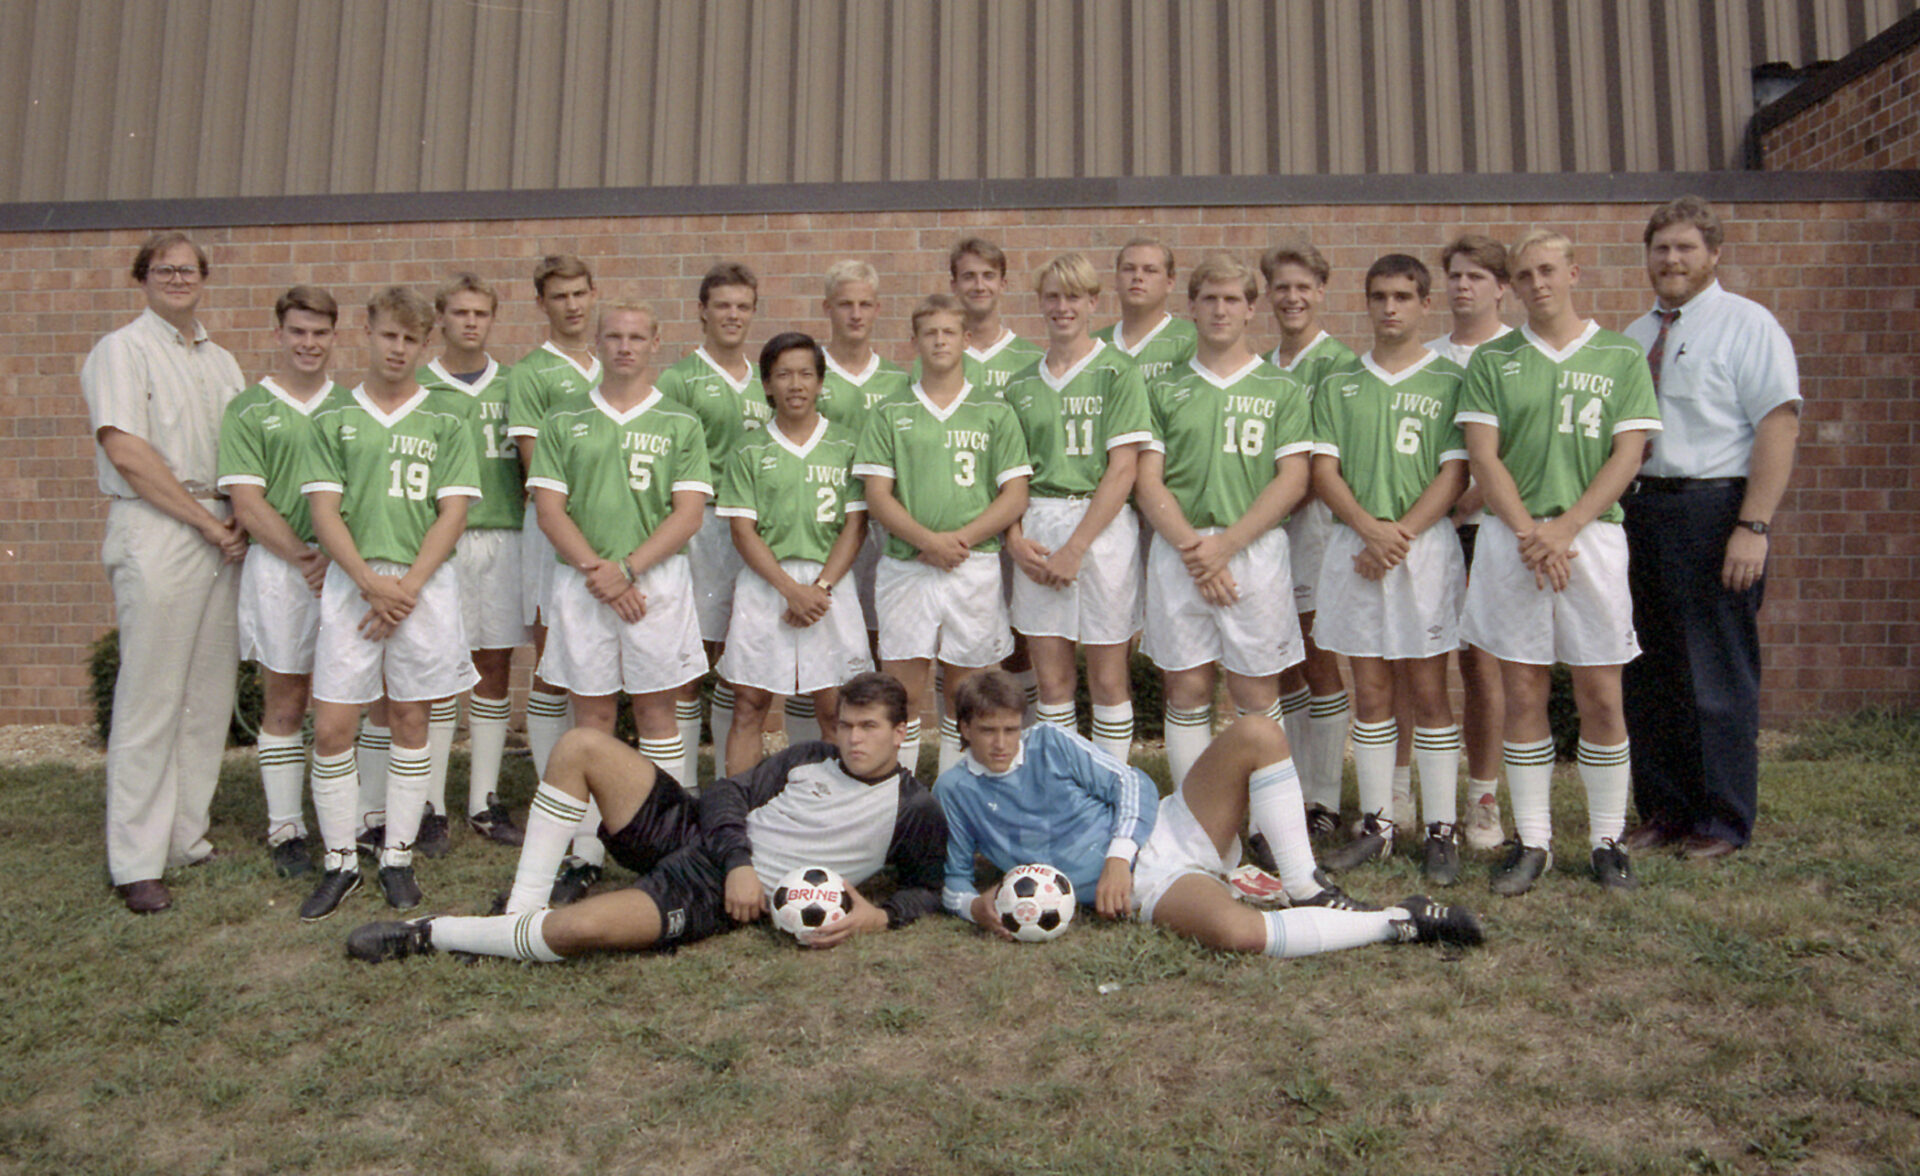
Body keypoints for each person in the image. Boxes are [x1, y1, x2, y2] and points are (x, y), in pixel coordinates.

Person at [342, 672, 946, 964]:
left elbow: (928, 888)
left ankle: (432, 932)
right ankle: (521, 909)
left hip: (713, 891)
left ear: (901, 732)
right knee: (581, 744)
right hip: (703, 839)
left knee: (573, 933)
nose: (853, 738)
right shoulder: (812, 755)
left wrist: (877, 918)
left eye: (869, 728)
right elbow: (724, 796)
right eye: (845, 724)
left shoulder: (913, 808)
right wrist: (738, 858)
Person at [938, 671, 1482, 956]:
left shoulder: (1049, 742)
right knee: (1240, 935)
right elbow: (954, 882)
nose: (1003, 743)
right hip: (1151, 883)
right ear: (963, 728)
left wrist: (1116, 858)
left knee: (1257, 732)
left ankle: (1307, 884)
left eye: (1011, 729)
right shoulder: (955, 791)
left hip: (1166, 829)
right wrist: (974, 909)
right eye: (988, 731)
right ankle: (1399, 921)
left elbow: (1135, 785)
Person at [1456, 230, 1662, 896]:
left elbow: (1627, 454)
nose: (1537, 283)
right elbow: (1484, 457)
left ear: (1575, 270)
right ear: (1511, 286)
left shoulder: (1621, 354)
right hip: (1512, 540)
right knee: (1522, 691)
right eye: (1523, 274)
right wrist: (1529, 533)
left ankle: (1607, 840)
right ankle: (1534, 840)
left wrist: (1565, 527)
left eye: (1548, 270)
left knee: (1601, 693)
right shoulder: (1494, 359)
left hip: (1590, 540)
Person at [1621, 197, 1801, 862]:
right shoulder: (1635, 337)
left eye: (1685, 248)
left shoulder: (1747, 326)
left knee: (1716, 675)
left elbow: (1779, 423)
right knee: (1651, 671)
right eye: (1661, 248)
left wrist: (1754, 525)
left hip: (1714, 510)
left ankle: (1723, 820)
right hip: (1642, 511)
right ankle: (1664, 810)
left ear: (1713, 254)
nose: (1671, 260)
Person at [298, 287, 481, 921]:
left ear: (424, 344)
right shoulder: (334, 419)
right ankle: (340, 861)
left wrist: (403, 589)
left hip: (422, 587)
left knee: (410, 720)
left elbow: (452, 513)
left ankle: (397, 857)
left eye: (410, 339)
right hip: (355, 585)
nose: (397, 349)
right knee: (333, 727)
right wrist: (370, 584)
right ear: (367, 335)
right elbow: (324, 511)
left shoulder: (447, 419)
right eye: (387, 336)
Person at [83, 232, 248, 913]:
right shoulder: (122, 350)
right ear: (143, 278)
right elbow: (127, 452)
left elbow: (245, 449)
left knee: (206, 697)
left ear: (203, 279)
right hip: (159, 527)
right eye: (164, 269)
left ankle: (185, 836)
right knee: (152, 698)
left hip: (221, 532)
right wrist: (207, 523)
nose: (178, 278)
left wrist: (238, 518)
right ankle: (135, 860)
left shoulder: (223, 361)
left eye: (188, 270)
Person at [527, 301, 710, 906]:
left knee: (659, 715)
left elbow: (687, 514)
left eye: (636, 335)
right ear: (598, 343)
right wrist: (600, 571)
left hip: (653, 585)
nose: (624, 346)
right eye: (614, 336)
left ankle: (675, 847)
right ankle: (585, 851)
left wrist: (628, 569)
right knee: (594, 722)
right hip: (584, 586)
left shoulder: (681, 422)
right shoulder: (563, 418)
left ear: (657, 339)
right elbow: (550, 508)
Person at [1308, 256, 1469, 885]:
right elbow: (1324, 472)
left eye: (1403, 296)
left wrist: (1398, 534)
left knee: (1429, 691)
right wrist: (1370, 529)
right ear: (1366, 302)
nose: (1391, 308)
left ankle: (1441, 829)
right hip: (1355, 547)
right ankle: (1377, 824)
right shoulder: (1341, 384)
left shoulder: (1450, 381)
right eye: (1379, 296)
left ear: (1425, 303)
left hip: (1420, 551)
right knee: (1370, 690)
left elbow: (1455, 472)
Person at [1135, 255, 1312, 788]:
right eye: (1209, 299)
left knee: (1256, 692)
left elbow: (1293, 479)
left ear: (1251, 309)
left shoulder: (1281, 388)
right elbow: (1148, 480)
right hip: (1181, 550)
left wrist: (1226, 545)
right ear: (1191, 306)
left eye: (1232, 299)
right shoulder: (1164, 388)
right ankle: (1196, 816)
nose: (1220, 310)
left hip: (1252, 553)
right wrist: (1198, 549)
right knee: (1186, 688)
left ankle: (1263, 814)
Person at [854, 294, 1031, 773]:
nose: (939, 341)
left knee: (965, 692)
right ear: (913, 341)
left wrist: (961, 539)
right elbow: (877, 495)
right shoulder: (891, 412)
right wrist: (927, 540)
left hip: (971, 566)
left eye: (948, 332)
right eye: (929, 333)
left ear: (966, 340)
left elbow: (1014, 495)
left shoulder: (994, 410)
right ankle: (903, 801)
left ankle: (958, 801)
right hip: (908, 565)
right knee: (903, 694)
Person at [1003, 252, 1151, 762]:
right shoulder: (1020, 384)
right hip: (1040, 524)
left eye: (1073, 296)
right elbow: (1011, 477)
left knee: (1108, 677)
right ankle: (1062, 794)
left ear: (1093, 302)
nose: (1062, 307)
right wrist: (1014, 538)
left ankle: (1113, 791)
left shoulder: (1117, 370)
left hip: (1100, 528)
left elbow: (1124, 469)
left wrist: (1077, 547)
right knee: (1053, 679)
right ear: (1040, 303)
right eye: (1052, 296)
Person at [216, 285, 341, 880]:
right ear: (278, 335)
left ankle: (356, 818)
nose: (308, 343)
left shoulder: (353, 406)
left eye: (319, 333)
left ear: (333, 338)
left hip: (345, 570)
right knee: (286, 696)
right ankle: (286, 825)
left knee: (350, 699)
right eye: (298, 332)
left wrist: (335, 560)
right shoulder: (248, 408)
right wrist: (302, 556)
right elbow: (247, 500)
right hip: (283, 569)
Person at [715, 333, 873, 776]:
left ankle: (832, 810)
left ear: (821, 382)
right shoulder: (749, 448)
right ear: (767, 385)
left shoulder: (846, 445)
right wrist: (790, 590)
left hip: (831, 586)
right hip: (767, 584)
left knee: (835, 706)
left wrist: (818, 588)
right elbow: (742, 531)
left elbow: (855, 525)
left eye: (806, 373)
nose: (795, 384)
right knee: (750, 704)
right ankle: (734, 816)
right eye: (783, 374)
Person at [503, 255, 605, 890]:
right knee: (553, 664)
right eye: (558, 296)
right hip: (557, 532)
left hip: (615, 538)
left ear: (594, 295)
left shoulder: (607, 365)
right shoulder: (533, 373)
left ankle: (593, 798)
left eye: (579, 293)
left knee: (591, 669)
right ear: (541, 304)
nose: (571, 305)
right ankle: (556, 794)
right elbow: (539, 468)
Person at [416, 272, 525, 851]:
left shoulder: (514, 384)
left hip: (505, 533)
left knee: (494, 663)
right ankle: (429, 800)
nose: (470, 322)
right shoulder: (418, 387)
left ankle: (483, 798)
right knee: (437, 667)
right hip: (444, 540)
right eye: (459, 312)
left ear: (492, 318)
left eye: (480, 313)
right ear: (441, 317)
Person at [656, 263, 771, 786]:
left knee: (738, 657)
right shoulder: (679, 379)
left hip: (750, 526)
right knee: (690, 656)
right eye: (722, 305)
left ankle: (728, 784)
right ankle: (681, 784)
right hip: (699, 525)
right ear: (702, 310)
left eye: (742, 306)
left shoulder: (764, 380)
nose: (732, 315)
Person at [1259, 243, 1358, 842]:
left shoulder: (1339, 364)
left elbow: (1321, 466)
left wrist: (1259, 515)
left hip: (1312, 529)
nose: (1292, 298)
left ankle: (1323, 797)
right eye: (1280, 287)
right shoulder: (1265, 365)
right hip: (1266, 534)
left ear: (1322, 290)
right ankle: (1289, 787)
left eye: (1303, 287)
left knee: (1318, 660)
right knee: (1280, 664)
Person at [1425, 235, 1516, 852]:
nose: (1464, 286)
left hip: (1488, 527)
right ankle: (1404, 794)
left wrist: (1471, 498)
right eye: (1455, 276)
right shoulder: (1427, 357)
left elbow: (1515, 451)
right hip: (1428, 530)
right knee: (1414, 660)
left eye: (1478, 276)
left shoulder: (1517, 354)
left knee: (1482, 664)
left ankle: (1483, 798)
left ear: (1500, 287)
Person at [817, 260, 912, 675]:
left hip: (880, 521)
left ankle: (872, 731)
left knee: (878, 630)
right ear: (827, 308)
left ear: (878, 309)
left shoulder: (898, 380)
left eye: (864, 304)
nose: (855, 314)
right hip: (825, 518)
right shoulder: (810, 372)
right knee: (820, 637)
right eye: (845, 304)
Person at [1091, 238, 1197, 382]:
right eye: (1129, 269)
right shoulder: (1094, 344)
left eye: (1150, 270)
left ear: (1170, 283)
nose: (1137, 277)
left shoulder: (1192, 340)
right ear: (1116, 279)